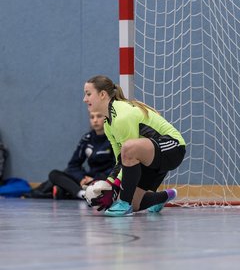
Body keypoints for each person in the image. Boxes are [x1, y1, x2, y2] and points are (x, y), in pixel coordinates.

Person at [83, 75, 186, 216]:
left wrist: (114, 187)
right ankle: (163, 197)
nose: (85, 99)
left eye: (88, 94)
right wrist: (109, 184)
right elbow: (121, 160)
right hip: (150, 157)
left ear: (102, 94)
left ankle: (124, 204)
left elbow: (128, 152)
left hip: (172, 148)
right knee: (136, 204)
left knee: (129, 148)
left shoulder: (122, 116)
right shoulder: (108, 124)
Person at [23, 112, 115, 199]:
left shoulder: (113, 138)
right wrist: (81, 178)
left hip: (104, 178)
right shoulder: (87, 139)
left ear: (106, 118)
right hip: (87, 180)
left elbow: (116, 166)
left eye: (99, 116)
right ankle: (81, 194)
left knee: (107, 179)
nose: (95, 120)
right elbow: (73, 165)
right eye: (92, 117)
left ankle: (66, 192)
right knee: (54, 174)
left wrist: (95, 178)